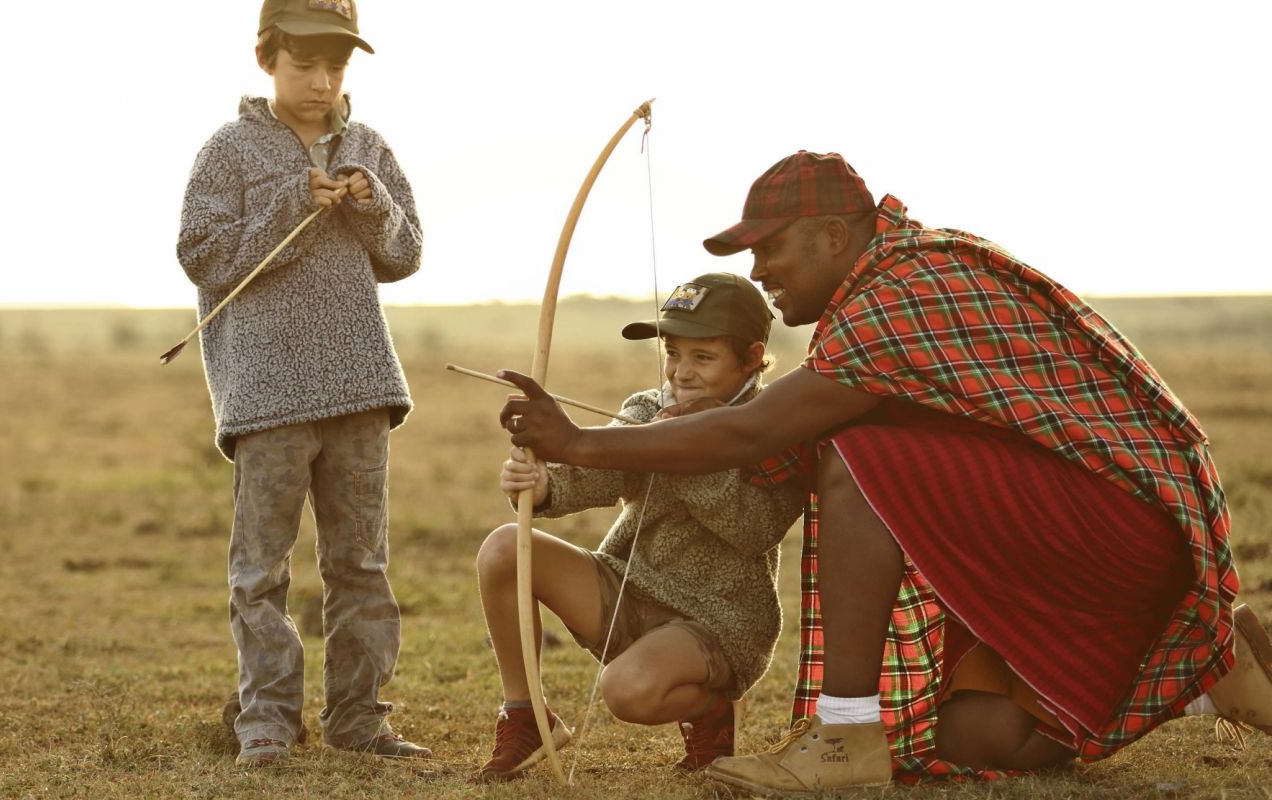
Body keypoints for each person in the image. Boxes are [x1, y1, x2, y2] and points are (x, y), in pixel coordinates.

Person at [496, 152, 1272, 792]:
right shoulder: (893, 279)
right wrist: (570, 466)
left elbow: (755, 427)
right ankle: (1206, 674)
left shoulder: (898, 293)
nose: (761, 270)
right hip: (1088, 533)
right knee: (956, 732)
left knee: (853, 451)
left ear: (833, 234)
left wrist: (581, 444)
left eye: (771, 247)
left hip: (1117, 521)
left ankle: (844, 733)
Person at [176, 0, 427, 767]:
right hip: (266, 396)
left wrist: (370, 202)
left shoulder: (370, 147)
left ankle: (360, 720)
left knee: (362, 566)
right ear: (266, 59)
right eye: (304, 65)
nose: (322, 82)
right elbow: (203, 257)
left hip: (361, 388)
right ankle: (266, 722)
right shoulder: (228, 151)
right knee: (261, 570)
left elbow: (406, 252)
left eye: (336, 67)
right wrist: (293, 200)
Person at [473, 273, 804, 781]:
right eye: (673, 353)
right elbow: (594, 475)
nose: (682, 372)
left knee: (624, 691)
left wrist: (684, 447)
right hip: (628, 585)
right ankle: (526, 717)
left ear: (753, 357)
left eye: (703, 357)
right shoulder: (648, 408)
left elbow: (753, 530)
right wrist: (542, 485)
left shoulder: (774, 425)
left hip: (719, 618)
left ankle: (710, 710)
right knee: (503, 547)